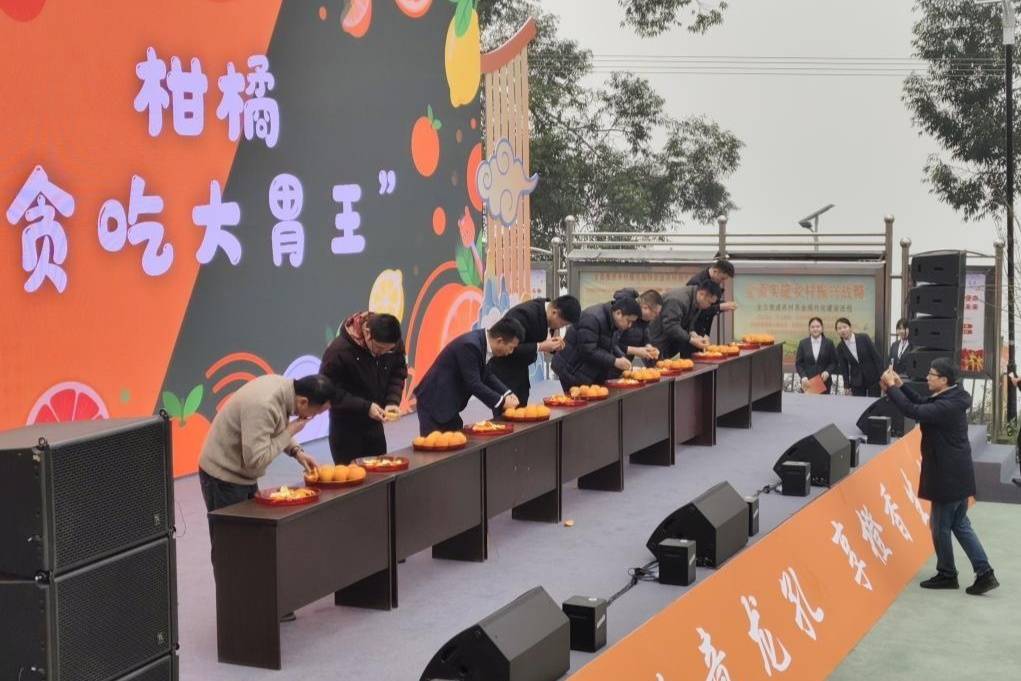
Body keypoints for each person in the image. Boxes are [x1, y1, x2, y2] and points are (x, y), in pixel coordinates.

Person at [881, 360, 999, 595]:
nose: (927, 377)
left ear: (944, 380)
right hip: (957, 473)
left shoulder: (947, 405)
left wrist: (891, 387)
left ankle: (947, 573)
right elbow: (922, 402)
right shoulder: (952, 397)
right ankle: (984, 572)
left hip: (947, 475)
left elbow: (914, 411)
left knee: (940, 526)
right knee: (960, 524)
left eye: (931, 374)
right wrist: (901, 386)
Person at [320, 311, 407, 464]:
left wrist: (392, 401)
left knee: (380, 471)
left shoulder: (393, 344)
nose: (383, 353)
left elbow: (398, 372)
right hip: (345, 428)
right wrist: (365, 407)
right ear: (367, 333)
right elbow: (328, 391)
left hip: (374, 425)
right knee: (352, 475)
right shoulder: (338, 351)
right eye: (379, 348)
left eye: (388, 350)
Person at [414, 317, 524, 435]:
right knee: (435, 443)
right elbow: (474, 384)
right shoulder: (470, 346)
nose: (510, 352)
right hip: (434, 402)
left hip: (450, 403)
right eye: (511, 347)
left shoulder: (483, 343)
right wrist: (502, 402)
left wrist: (507, 393)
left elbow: (487, 375)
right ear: (499, 341)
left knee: (457, 441)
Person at [488, 294, 581, 407]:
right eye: (562, 324)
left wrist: (553, 345)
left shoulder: (546, 314)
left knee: (521, 406)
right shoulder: (524, 314)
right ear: (554, 312)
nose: (560, 327)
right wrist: (540, 346)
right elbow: (507, 347)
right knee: (508, 410)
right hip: (503, 368)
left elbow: (539, 339)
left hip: (520, 369)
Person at [551, 296, 639, 391]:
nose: (629, 325)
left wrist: (621, 357)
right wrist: (614, 361)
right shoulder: (592, 318)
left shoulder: (613, 321)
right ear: (618, 313)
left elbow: (611, 344)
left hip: (587, 371)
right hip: (572, 369)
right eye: (628, 321)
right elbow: (587, 350)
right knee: (577, 398)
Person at [650, 279, 722, 359]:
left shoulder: (697, 300)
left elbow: (689, 323)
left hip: (666, 344)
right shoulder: (678, 300)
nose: (709, 306)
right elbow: (670, 326)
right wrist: (691, 340)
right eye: (710, 303)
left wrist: (696, 336)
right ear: (702, 294)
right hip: (655, 342)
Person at [687, 259, 737, 337]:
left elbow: (712, 303)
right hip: (693, 331)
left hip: (703, 329)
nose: (722, 282)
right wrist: (720, 307)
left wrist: (723, 304)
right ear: (715, 271)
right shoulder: (697, 283)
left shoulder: (714, 281)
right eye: (722, 278)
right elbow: (698, 310)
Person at [834, 317, 883, 397]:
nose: (842, 330)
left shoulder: (864, 338)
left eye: (845, 327)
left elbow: (876, 357)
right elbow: (844, 368)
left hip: (873, 377)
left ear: (850, 327)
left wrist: (882, 376)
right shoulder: (840, 347)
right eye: (839, 328)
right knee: (858, 403)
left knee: (874, 402)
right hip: (856, 381)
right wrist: (846, 385)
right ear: (837, 331)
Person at [614, 289, 663, 364]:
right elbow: (611, 344)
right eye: (655, 313)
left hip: (625, 363)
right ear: (645, 308)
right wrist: (635, 351)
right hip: (611, 362)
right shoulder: (623, 314)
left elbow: (645, 337)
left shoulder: (644, 319)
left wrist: (649, 347)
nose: (656, 317)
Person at [794, 316, 838, 393]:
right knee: (808, 401)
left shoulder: (829, 343)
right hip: (808, 383)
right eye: (812, 327)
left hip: (824, 382)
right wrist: (803, 376)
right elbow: (799, 364)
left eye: (818, 326)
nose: (815, 329)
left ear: (822, 328)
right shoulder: (803, 343)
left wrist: (827, 372)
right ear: (809, 329)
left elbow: (834, 362)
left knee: (824, 401)